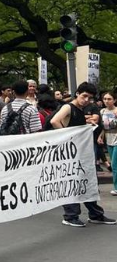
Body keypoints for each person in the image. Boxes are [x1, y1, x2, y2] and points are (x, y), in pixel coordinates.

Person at [49, 82, 116, 227]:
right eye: (84, 96)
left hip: (79, 151)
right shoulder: (68, 107)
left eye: (89, 98)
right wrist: (67, 137)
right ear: (77, 93)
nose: (86, 100)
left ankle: (94, 214)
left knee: (87, 182)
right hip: (70, 152)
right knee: (73, 183)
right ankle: (71, 215)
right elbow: (55, 121)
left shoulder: (79, 109)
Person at [99, 91, 117, 195]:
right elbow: (103, 127)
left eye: (109, 99)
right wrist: (100, 136)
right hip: (108, 139)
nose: (106, 101)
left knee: (114, 165)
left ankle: (116, 187)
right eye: (105, 99)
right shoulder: (102, 111)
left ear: (114, 100)